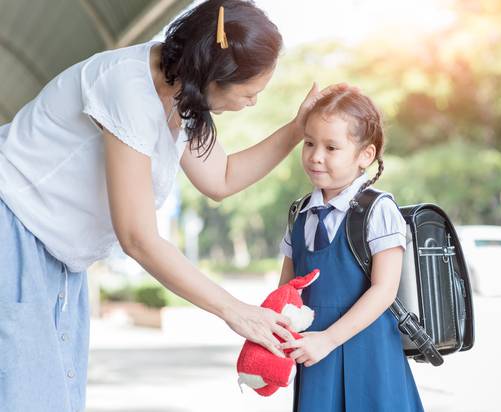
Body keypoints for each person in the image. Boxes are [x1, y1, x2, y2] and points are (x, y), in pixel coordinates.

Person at [0, 1, 343, 410]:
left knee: (53, 398)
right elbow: (138, 238)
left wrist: (295, 130)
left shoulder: (184, 98)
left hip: (57, 253)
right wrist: (235, 311)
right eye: (249, 93)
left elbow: (223, 177)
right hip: (15, 229)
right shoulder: (128, 86)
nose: (252, 103)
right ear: (216, 75)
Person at [278, 89, 425, 411]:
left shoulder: (378, 209)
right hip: (315, 355)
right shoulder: (299, 214)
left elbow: (384, 290)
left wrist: (328, 340)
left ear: (365, 155)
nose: (316, 156)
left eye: (331, 147)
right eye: (309, 143)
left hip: (369, 354)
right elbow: (286, 293)